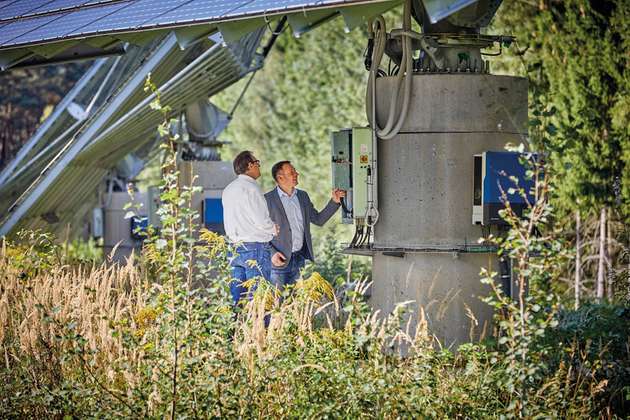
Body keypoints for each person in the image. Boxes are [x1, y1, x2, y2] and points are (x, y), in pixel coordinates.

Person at [264, 160, 346, 291]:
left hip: (299, 260)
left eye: (295, 171)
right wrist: (272, 253)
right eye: (292, 172)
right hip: (278, 263)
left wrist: (334, 202)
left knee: (297, 305)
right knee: (276, 305)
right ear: (280, 177)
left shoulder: (303, 196)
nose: (297, 174)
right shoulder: (267, 200)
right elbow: (259, 233)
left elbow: (318, 219)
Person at [222, 150, 277, 307]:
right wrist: (273, 228)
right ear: (250, 165)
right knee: (259, 296)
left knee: (235, 297)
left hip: (234, 248)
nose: (259, 167)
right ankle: (261, 330)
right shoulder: (252, 188)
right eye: (257, 163)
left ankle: (231, 330)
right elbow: (260, 219)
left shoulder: (229, 189)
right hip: (255, 248)